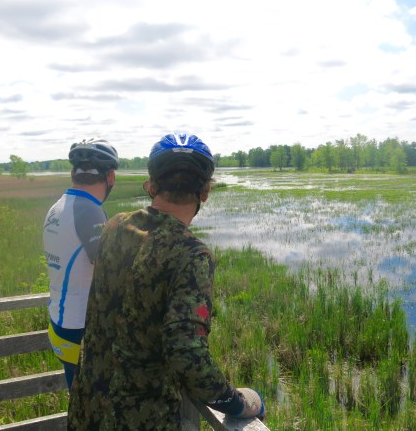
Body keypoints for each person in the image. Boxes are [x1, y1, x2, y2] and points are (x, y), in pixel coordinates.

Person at [67, 133, 265, 430]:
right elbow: (186, 353)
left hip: (87, 408)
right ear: (205, 192)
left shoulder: (115, 226)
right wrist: (236, 402)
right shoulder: (191, 253)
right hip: (141, 420)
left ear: (151, 186)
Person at [43, 138, 119, 391]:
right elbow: (111, 269)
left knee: (77, 399)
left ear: (72, 174)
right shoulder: (89, 209)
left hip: (60, 319)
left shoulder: (58, 207)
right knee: (93, 403)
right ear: (110, 177)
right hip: (80, 325)